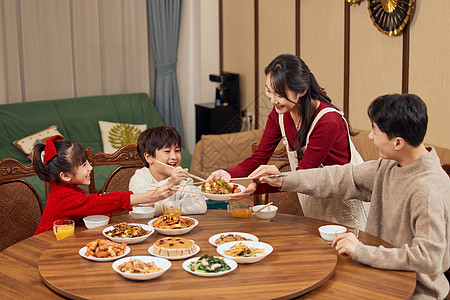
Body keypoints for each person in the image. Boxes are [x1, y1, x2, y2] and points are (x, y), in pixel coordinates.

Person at [244, 94, 450, 299]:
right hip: (379, 274)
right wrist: (283, 179)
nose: (370, 137)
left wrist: (361, 251)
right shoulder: (390, 166)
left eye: (375, 131)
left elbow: (428, 258)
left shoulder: (427, 190)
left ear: (398, 143)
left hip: (415, 291)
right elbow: (340, 177)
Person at [208, 54, 368, 229]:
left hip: (344, 206)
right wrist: (228, 174)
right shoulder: (280, 115)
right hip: (313, 203)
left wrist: (258, 186)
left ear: (302, 90)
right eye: (269, 90)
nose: (273, 100)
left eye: (280, 94)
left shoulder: (328, 121)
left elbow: (304, 175)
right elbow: (259, 157)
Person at [33, 135, 176, 235]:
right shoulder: (62, 196)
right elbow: (94, 203)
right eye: (84, 165)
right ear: (65, 175)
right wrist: (150, 196)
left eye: (88, 162)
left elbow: (94, 206)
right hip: (47, 245)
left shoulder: (65, 187)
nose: (90, 168)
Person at [129, 126, 207, 216]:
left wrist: (158, 207)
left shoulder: (182, 178)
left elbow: (200, 205)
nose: (174, 156)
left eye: (177, 150)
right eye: (167, 151)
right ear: (149, 157)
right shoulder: (140, 176)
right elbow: (139, 198)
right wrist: (171, 182)